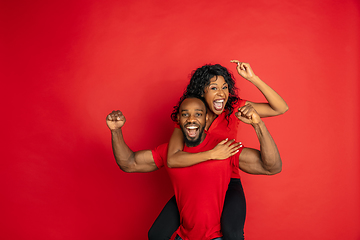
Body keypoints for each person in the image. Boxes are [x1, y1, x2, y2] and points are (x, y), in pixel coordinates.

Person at [106, 96, 282, 240]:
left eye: (198, 114)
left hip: (216, 237)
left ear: (206, 119)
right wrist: (116, 131)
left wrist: (258, 125)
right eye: (185, 115)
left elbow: (271, 167)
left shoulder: (224, 148)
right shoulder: (169, 152)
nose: (191, 119)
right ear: (178, 120)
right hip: (183, 237)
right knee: (155, 235)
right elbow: (129, 163)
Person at [149, 61, 288, 240]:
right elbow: (173, 158)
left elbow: (281, 107)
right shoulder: (190, 115)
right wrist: (212, 154)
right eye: (214, 87)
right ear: (201, 92)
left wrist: (253, 78)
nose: (221, 93)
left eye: (224, 87)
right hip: (194, 184)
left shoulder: (233, 107)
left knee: (232, 233)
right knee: (156, 234)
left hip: (228, 181)